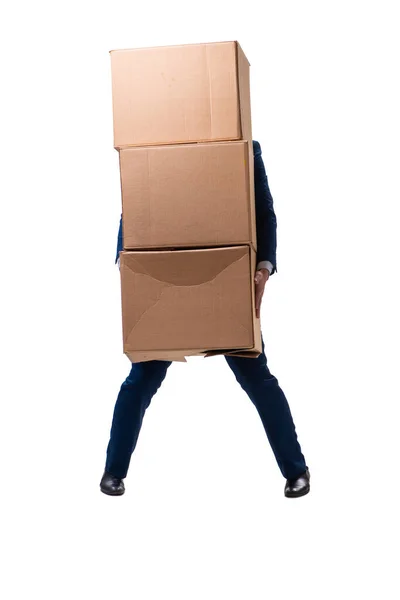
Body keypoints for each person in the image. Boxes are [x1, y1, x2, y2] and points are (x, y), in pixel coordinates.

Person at [100, 140, 310, 498]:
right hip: (166, 285)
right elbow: (131, 210)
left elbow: (265, 214)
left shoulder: (245, 150)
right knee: (140, 378)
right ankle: (113, 472)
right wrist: (126, 262)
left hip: (222, 282)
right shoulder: (155, 148)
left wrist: (263, 268)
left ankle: (296, 470)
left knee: (256, 376)